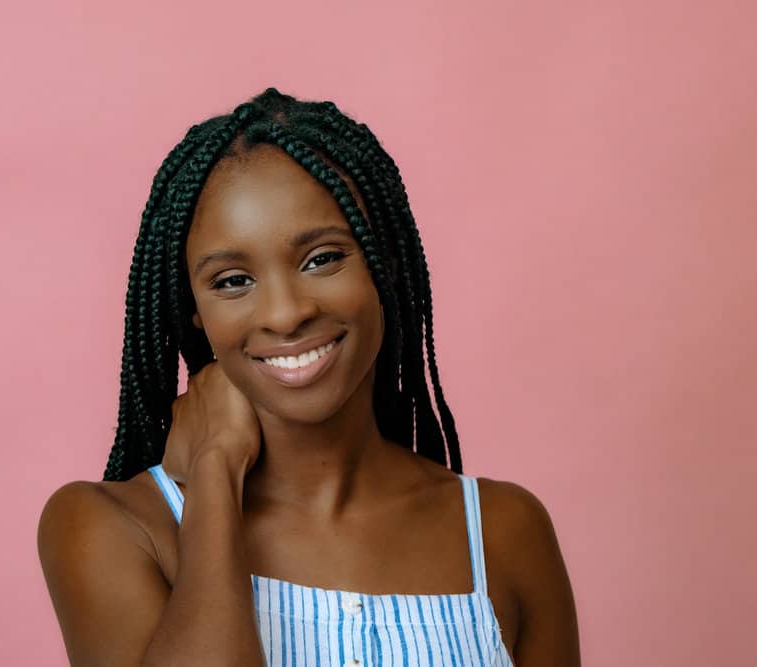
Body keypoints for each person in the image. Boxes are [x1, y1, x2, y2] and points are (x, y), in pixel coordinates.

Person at [37, 88, 580, 666]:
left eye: (321, 258)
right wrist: (215, 467)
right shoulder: (112, 528)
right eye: (231, 280)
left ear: (384, 262)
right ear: (194, 309)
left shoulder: (502, 532)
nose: (285, 312)